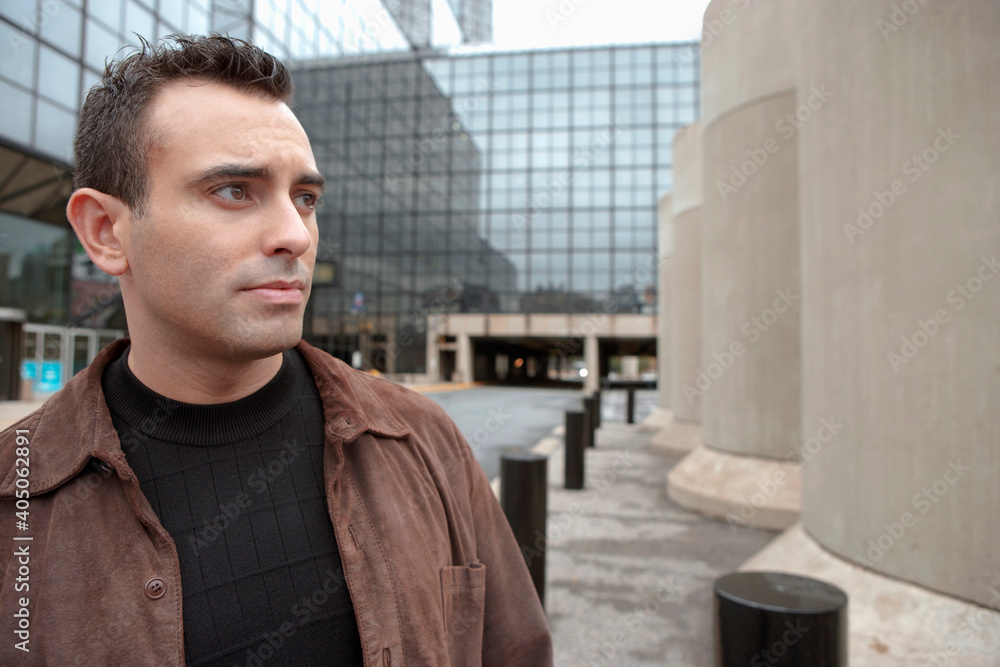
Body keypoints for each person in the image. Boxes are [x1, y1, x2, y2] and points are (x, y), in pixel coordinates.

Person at [0, 35, 552, 666]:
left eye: (306, 198)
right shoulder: (17, 498)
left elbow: (516, 651)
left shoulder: (423, 440)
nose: (296, 234)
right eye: (234, 190)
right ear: (106, 232)